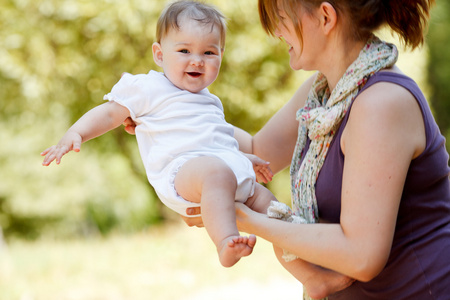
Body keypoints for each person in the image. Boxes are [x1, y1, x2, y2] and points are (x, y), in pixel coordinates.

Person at [174, 0, 450, 299]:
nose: (277, 32)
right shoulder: (321, 94)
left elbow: (362, 255)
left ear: (326, 17)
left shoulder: (381, 104)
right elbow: (256, 149)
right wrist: (166, 117)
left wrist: (242, 217)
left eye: (281, 18)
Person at [41, 0, 280, 268]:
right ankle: (226, 241)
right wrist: (76, 133)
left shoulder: (211, 101)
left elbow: (213, 140)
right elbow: (109, 114)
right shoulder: (149, 87)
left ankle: (309, 271)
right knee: (217, 172)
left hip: (220, 169)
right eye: (184, 50)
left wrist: (243, 158)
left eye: (209, 53)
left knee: (274, 209)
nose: (197, 60)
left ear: (221, 55)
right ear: (159, 54)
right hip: (180, 172)